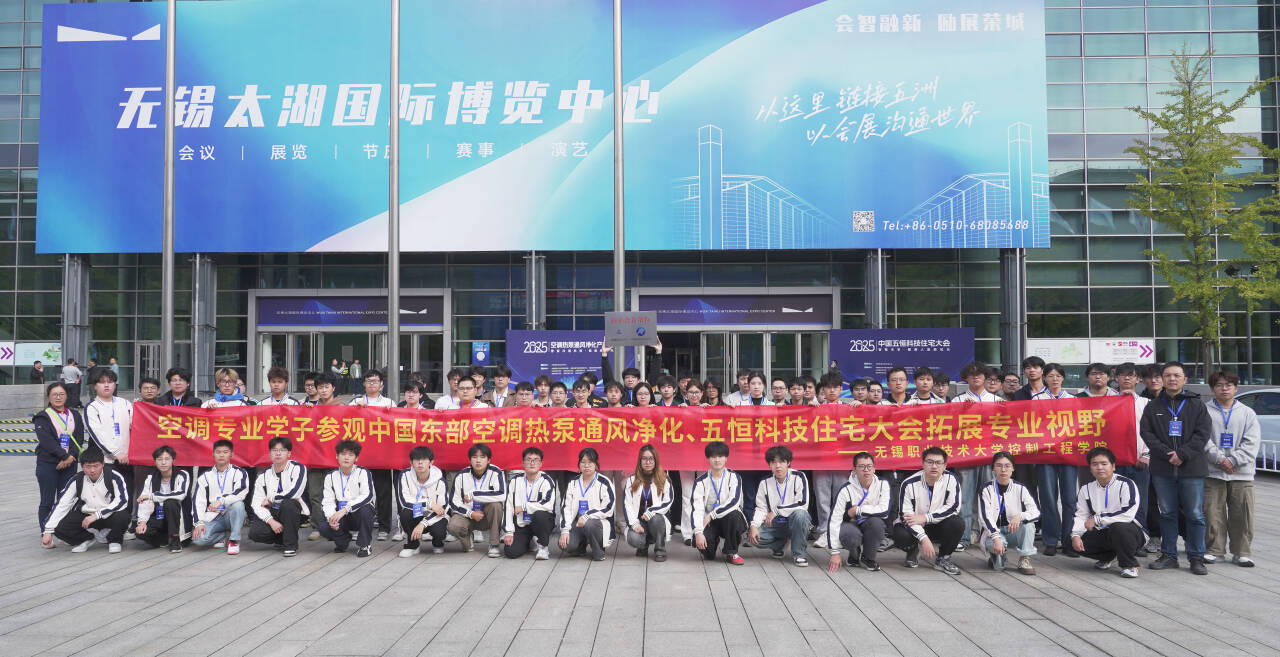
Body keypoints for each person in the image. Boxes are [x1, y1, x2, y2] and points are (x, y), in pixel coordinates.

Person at [1141, 361, 1211, 575]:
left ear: (1185, 379)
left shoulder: (1196, 404)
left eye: (1176, 375)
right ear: (1162, 379)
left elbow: (1203, 433)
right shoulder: (1153, 406)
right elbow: (1147, 433)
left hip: (1191, 468)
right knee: (1167, 513)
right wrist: (1167, 453)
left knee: (1195, 514)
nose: (1172, 379)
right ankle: (1169, 555)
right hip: (1163, 469)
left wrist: (1182, 454)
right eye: (1168, 375)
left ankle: (1196, 556)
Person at [1203, 370, 1260, 567]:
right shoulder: (1204, 411)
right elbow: (1203, 439)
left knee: (1243, 514)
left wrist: (1233, 461)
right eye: (1219, 385)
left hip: (1241, 474)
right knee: (1212, 513)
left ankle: (1242, 552)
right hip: (1213, 472)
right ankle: (1215, 550)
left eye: (1228, 385)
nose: (1224, 389)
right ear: (1212, 389)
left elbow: (1252, 443)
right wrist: (1220, 460)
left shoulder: (1247, 413)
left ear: (1236, 388)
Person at [1071, 447, 1146, 578]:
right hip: (1104, 530)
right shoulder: (1086, 489)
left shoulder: (1126, 484)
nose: (1099, 467)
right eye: (1095, 464)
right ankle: (1108, 556)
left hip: (1132, 531)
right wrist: (1075, 535)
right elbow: (1081, 515)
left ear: (1113, 466)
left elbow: (1128, 514)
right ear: (1090, 468)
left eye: (1104, 463)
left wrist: (1098, 519)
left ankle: (1129, 565)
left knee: (1119, 528)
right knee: (1070, 542)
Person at [891, 446, 964, 575]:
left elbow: (953, 507)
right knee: (900, 534)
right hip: (915, 525)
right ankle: (912, 551)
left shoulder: (952, 480)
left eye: (938, 463)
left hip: (938, 524)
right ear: (923, 464)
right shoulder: (909, 484)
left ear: (945, 466)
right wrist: (923, 538)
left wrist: (926, 517)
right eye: (930, 462)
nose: (934, 466)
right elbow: (905, 516)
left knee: (957, 523)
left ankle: (943, 558)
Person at [41, 447, 129, 552]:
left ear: (103, 464)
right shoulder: (77, 479)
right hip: (87, 515)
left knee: (123, 516)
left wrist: (97, 515)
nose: (92, 470)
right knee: (59, 526)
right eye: (88, 466)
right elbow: (62, 504)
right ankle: (86, 539)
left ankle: (114, 540)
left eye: (96, 466)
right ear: (82, 466)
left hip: (109, 515)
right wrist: (48, 531)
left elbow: (122, 500)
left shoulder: (114, 476)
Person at [1031, 363, 1079, 558]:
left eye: (1058, 376)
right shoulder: (1037, 398)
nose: (1054, 379)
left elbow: (1079, 425)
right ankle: (1051, 540)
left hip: (1068, 453)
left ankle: (1068, 540)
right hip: (1046, 453)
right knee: (1048, 497)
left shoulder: (1073, 399)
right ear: (1045, 378)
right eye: (1050, 376)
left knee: (1070, 499)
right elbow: (1032, 423)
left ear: (1063, 378)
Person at [951, 361, 999, 551]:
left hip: (990, 455)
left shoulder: (997, 400)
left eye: (979, 374)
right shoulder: (958, 400)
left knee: (989, 496)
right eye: (971, 374)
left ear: (985, 377)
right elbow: (950, 427)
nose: (976, 377)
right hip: (966, 455)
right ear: (966, 378)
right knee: (965, 497)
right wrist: (963, 411)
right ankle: (963, 537)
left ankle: (990, 535)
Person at [84, 369, 135, 535]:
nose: (106, 385)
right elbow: (97, 434)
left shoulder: (125, 403)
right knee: (106, 495)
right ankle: (104, 528)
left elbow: (135, 427)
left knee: (127, 493)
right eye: (102, 382)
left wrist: (128, 454)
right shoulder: (92, 407)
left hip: (127, 459)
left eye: (110, 382)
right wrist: (115, 453)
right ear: (95, 386)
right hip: (106, 461)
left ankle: (123, 528)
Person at [349, 370, 396, 541]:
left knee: (383, 492)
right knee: (357, 491)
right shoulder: (355, 402)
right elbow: (345, 420)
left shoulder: (389, 402)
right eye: (369, 381)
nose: (372, 384)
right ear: (363, 383)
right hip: (361, 455)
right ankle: (356, 526)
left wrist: (392, 412)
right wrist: (356, 410)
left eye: (375, 381)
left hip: (382, 455)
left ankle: (384, 526)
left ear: (382, 384)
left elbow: (396, 425)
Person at [825, 451, 890, 572]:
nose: (866, 470)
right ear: (854, 470)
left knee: (877, 524)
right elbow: (834, 520)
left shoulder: (883, 484)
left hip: (869, 522)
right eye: (862, 466)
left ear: (874, 469)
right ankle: (854, 555)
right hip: (850, 523)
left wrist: (857, 510)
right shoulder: (846, 489)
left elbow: (884, 511)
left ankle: (868, 558)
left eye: (869, 466)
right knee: (849, 535)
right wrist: (835, 552)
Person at [747, 446, 811, 566]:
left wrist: (776, 511)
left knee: (800, 515)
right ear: (769, 465)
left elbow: (802, 503)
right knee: (753, 538)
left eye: (781, 462)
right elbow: (761, 508)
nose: (777, 466)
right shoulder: (765, 482)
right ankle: (781, 543)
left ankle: (799, 554)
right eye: (773, 462)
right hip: (776, 523)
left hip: (794, 520)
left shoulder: (799, 476)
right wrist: (754, 525)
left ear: (788, 463)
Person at [34, 382, 86, 527]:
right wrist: (64, 456)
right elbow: (46, 441)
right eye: (54, 394)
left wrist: (71, 456)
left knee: (66, 499)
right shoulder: (42, 416)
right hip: (48, 463)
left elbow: (79, 438)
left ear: (66, 396)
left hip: (70, 464)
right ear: (48, 397)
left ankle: (63, 530)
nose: (58, 397)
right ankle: (46, 531)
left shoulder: (75, 415)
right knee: (47, 500)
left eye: (61, 394)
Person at [978, 452, 1040, 575]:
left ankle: (1024, 559)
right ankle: (997, 557)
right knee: (999, 567)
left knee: (1028, 525)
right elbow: (985, 517)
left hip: (1013, 530)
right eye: (999, 465)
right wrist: (996, 538)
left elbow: (1036, 512)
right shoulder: (986, 489)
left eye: (1007, 466)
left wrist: (1020, 516)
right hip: (993, 533)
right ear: (993, 468)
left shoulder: (1020, 488)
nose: (1003, 469)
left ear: (1013, 468)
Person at [1113, 362, 1153, 549]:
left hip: (1139, 461)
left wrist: (1147, 455)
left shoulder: (1146, 403)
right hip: (1114, 462)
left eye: (1131, 375)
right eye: (1123, 374)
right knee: (1115, 503)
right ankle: (1117, 542)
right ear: (1116, 378)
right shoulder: (1107, 402)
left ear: (1138, 379)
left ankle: (1139, 542)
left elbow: (1153, 432)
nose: (1127, 378)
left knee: (1140, 502)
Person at [248, 437, 308, 557]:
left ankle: (290, 546)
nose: (278, 453)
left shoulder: (298, 468)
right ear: (270, 454)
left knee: (288, 503)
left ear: (289, 453)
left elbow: (294, 493)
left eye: (282, 450)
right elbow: (256, 502)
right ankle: (281, 538)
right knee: (255, 533)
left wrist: (272, 499)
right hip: (273, 512)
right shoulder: (263, 475)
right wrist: (271, 521)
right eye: (274, 450)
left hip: (294, 511)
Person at [690, 441, 747, 565]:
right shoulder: (700, 481)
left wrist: (712, 515)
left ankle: (731, 552)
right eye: (713, 457)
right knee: (708, 554)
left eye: (720, 456)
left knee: (734, 515)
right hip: (709, 522)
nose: (717, 460)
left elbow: (734, 502)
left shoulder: (734, 477)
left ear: (726, 458)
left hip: (728, 519)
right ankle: (713, 540)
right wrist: (698, 532)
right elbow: (696, 509)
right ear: (708, 459)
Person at [318, 440, 376, 557]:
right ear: (337, 456)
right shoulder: (330, 476)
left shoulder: (363, 473)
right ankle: (343, 541)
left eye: (350, 455)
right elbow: (328, 501)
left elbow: (367, 496)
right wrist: (331, 518)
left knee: (366, 510)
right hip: (341, 516)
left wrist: (346, 509)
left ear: (356, 458)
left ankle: (364, 545)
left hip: (357, 513)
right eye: (343, 454)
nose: (346, 458)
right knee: (323, 527)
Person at [191, 439, 249, 554]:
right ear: (213, 454)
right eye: (218, 452)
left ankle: (234, 540)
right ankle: (221, 536)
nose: (221, 455)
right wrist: (199, 523)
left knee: (238, 505)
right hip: (213, 516)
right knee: (198, 539)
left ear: (231, 454)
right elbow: (198, 501)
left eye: (225, 452)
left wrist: (221, 501)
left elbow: (241, 492)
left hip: (231, 514)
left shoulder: (240, 472)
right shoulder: (205, 476)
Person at [447, 443, 506, 557]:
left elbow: (501, 495)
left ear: (489, 460)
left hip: (486, 516)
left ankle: (494, 544)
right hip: (467, 516)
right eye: (474, 457)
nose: (478, 460)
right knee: (453, 526)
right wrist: (471, 513)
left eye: (482, 457)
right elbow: (453, 502)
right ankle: (467, 538)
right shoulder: (461, 475)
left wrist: (473, 494)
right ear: (470, 460)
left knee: (496, 505)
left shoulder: (496, 472)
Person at [559, 447, 615, 561]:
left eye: (590, 462)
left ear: (596, 464)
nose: (586, 466)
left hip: (597, 523)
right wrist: (565, 530)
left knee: (590, 524)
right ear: (579, 464)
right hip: (578, 523)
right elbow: (566, 508)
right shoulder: (573, 482)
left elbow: (608, 508)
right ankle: (580, 547)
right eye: (583, 462)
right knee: (565, 545)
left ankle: (599, 550)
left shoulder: (604, 482)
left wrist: (587, 515)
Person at [503, 446, 557, 560]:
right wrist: (509, 532)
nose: (532, 463)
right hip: (522, 523)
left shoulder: (547, 480)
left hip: (540, 522)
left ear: (541, 463)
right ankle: (529, 541)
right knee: (510, 552)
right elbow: (508, 507)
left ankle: (543, 546)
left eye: (536, 460)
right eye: (528, 460)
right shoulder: (515, 481)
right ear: (523, 463)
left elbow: (548, 505)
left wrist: (524, 507)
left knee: (540, 514)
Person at [134, 445, 192, 553]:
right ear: (155, 461)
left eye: (167, 459)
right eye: (159, 459)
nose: (163, 462)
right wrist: (142, 522)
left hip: (178, 518)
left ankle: (175, 539)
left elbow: (181, 494)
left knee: (171, 502)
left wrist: (152, 496)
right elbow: (144, 501)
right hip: (159, 517)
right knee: (140, 532)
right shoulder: (151, 478)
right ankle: (165, 539)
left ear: (173, 460)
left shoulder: (182, 475)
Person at [623, 444, 673, 561]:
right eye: (644, 459)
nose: (648, 462)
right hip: (639, 521)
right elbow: (627, 505)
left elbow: (668, 501)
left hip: (656, 519)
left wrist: (651, 511)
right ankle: (643, 547)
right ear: (640, 461)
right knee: (634, 539)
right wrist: (634, 525)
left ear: (656, 460)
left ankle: (660, 549)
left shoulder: (664, 479)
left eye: (651, 459)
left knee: (656, 519)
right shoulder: (631, 480)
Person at [397, 446, 449, 557]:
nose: (420, 463)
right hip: (416, 512)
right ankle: (413, 545)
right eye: (416, 459)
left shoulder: (440, 481)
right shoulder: (404, 475)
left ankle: (438, 542)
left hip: (434, 515)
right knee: (405, 514)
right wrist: (428, 504)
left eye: (424, 459)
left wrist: (423, 523)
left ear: (431, 462)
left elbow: (442, 508)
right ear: (411, 462)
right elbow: (404, 501)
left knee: (439, 531)